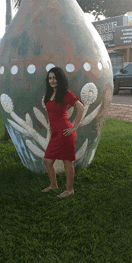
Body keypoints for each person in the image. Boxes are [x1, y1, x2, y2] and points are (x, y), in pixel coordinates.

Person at [42, 67, 85, 198]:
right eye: (50, 78)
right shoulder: (50, 95)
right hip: (55, 134)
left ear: (59, 79)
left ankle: (69, 190)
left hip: (65, 133)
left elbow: (80, 107)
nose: (52, 80)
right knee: (47, 161)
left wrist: (75, 127)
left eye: (54, 78)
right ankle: (54, 185)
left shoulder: (65, 93)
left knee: (67, 162)